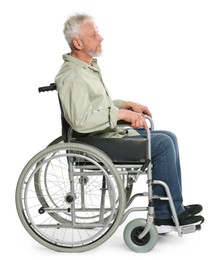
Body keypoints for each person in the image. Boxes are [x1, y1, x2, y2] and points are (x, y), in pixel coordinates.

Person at [55, 13, 204, 233]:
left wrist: (125, 104)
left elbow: (98, 106)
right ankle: (164, 217)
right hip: (93, 142)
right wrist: (121, 115)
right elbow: (81, 120)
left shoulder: (86, 68)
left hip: (105, 135)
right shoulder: (71, 76)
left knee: (169, 136)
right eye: (93, 34)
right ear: (78, 42)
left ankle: (173, 206)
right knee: (161, 143)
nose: (100, 38)